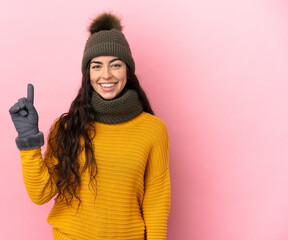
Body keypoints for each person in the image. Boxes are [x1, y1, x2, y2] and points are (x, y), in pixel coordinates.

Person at [9, 12, 171, 240]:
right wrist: (29, 140)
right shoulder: (67, 127)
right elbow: (41, 194)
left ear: (127, 70)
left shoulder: (153, 130)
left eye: (115, 65)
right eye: (97, 66)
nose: (106, 75)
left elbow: (156, 200)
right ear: (88, 73)